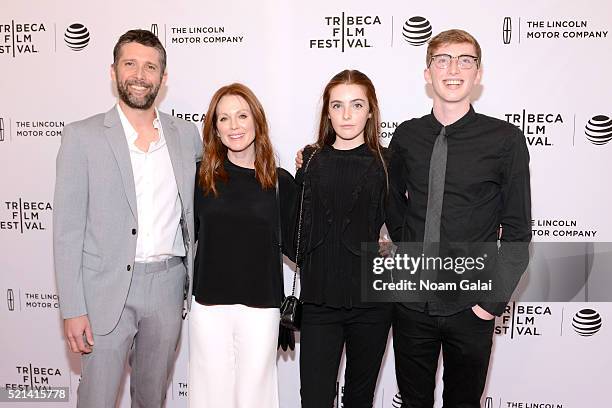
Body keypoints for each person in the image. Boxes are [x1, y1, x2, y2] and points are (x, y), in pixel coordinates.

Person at [53, 29, 202, 407]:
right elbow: (67, 231)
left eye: (150, 67)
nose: (140, 74)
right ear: (113, 71)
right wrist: (73, 309)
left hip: (168, 286)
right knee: (97, 399)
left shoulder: (187, 135)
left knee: (151, 399)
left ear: (163, 78)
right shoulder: (81, 137)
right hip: (104, 291)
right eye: (130, 64)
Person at [386, 29, 532, 407]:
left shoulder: (506, 140)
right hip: (411, 304)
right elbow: (389, 201)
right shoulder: (406, 136)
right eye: (442, 60)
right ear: (427, 73)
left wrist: (489, 303)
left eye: (465, 60)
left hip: (472, 305)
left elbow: (517, 231)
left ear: (478, 74)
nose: (453, 69)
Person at [189, 83, 297, 408]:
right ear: (215, 128)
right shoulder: (200, 179)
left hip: (261, 310)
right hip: (208, 308)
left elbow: (300, 246)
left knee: (257, 399)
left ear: (256, 121)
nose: (234, 126)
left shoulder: (280, 182)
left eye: (241, 115)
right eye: (224, 119)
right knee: (209, 398)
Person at [296, 69, 392, 408]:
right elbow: (296, 228)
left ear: (370, 110)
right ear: (327, 112)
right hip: (319, 300)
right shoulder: (310, 160)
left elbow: (404, 227)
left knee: (359, 399)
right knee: (315, 399)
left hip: (372, 303)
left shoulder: (387, 162)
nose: (347, 114)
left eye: (356, 104)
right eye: (337, 105)